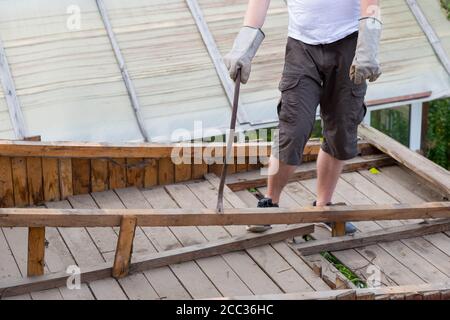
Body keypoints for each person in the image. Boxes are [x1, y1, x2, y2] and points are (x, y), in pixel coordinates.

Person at [224, 0, 382, 234]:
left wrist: (368, 46)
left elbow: (371, 3)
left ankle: (323, 207)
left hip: (349, 44)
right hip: (302, 48)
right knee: (294, 127)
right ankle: (270, 203)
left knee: (341, 128)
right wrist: (243, 47)